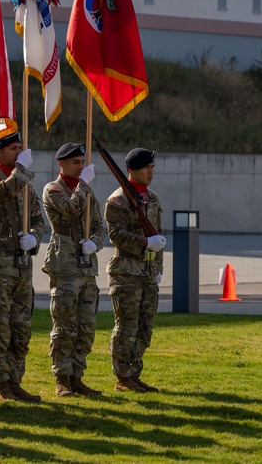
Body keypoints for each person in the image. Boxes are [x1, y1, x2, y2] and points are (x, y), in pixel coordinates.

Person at [0, 131, 45, 403]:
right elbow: (1, 194)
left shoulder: (26, 185)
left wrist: (34, 237)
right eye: (13, 148)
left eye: (20, 148)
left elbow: (38, 220)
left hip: (21, 266)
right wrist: (22, 171)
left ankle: (15, 381)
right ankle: (0, 384)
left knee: (21, 328)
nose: (18, 152)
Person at [42, 142, 104, 397]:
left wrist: (95, 243)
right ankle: (62, 379)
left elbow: (99, 225)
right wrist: (84, 185)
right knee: (65, 326)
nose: (80, 167)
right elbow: (70, 209)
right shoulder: (53, 189)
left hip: (87, 267)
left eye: (82, 162)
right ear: (62, 164)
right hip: (65, 264)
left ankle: (77, 376)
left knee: (86, 326)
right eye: (75, 162)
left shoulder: (86, 190)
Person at [104, 147, 166, 393]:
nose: (150, 172)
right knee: (126, 326)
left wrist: (158, 266)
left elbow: (157, 235)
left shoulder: (152, 199)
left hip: (148, 271)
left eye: (152, 167)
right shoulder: (118, 200)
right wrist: (144, 243)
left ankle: (134, 373)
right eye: (146, 168)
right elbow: (116, 235)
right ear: (131, 170)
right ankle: (122, 377)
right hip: (126, 272)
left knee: (144, 326)